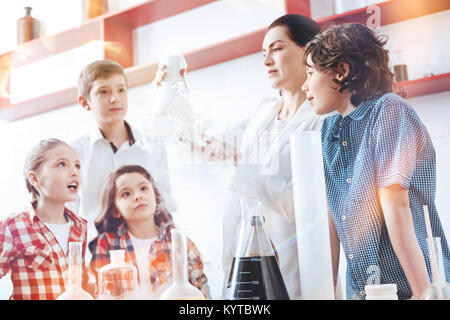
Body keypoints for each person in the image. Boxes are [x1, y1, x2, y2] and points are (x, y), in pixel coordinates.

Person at [153, 14, 329, 299]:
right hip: (243, 259)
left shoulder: (321, 121)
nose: (267, 60)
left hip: (292, 269)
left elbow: (307, 206)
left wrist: (247, 166)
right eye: (264, 53)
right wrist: (175, 96)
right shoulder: (264, 112)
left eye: (277, 48)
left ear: (309, 50)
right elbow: (206, 145)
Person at [301, 23, 450, 300]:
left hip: (413, 286)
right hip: (363, 289)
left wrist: (423, 293)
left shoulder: (389, 110)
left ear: (341, 71)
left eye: (310, 73)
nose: (304, 85)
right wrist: (329, 289)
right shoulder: (327, 130)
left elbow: (397, 204)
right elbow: (331, 215)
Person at [70, 60, 177, 246]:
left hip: (151, 252)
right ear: (84, 102)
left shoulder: (153, 148)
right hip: (98, 254)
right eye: (103, 92)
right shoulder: (74, 153)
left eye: (121, 90)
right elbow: (67, 212)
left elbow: (165, 205)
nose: (114, 98)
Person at [88, 165, 210, 299]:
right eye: (126, 193)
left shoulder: (178, 243)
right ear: (115, 210)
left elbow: (200, 287)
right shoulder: (107, 243)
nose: (138, 196)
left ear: (155, 197)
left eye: (143, 188)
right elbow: (98, 292)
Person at [0, 138, 88, 300]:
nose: (75, 172)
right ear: (34, 179)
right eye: (61, 164)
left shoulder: (81, 227)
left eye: (77, 165)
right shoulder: (12, 227)